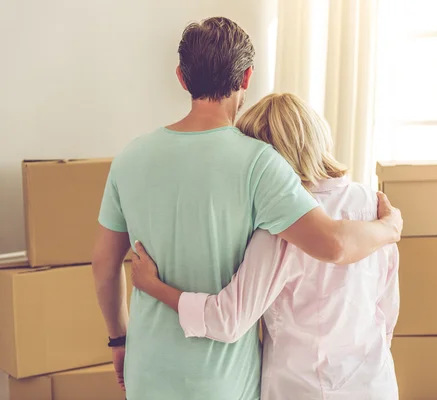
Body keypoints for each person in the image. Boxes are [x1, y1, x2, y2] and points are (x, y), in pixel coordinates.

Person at [91, 18, 402, 400]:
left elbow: (104, 266)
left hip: (147, 370)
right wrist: (390, 228)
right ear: (247, 77)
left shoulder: (129, 158)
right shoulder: (261, 163)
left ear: (181, 78)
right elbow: (335, 246)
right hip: (224, 381)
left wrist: (119, 340)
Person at [131, 93, 400, 400]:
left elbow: (227, 319)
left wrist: (152, 285)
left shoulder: (282, 226)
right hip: (375, 384)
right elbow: (386, 309)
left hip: (300, 389)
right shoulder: (375, 208)